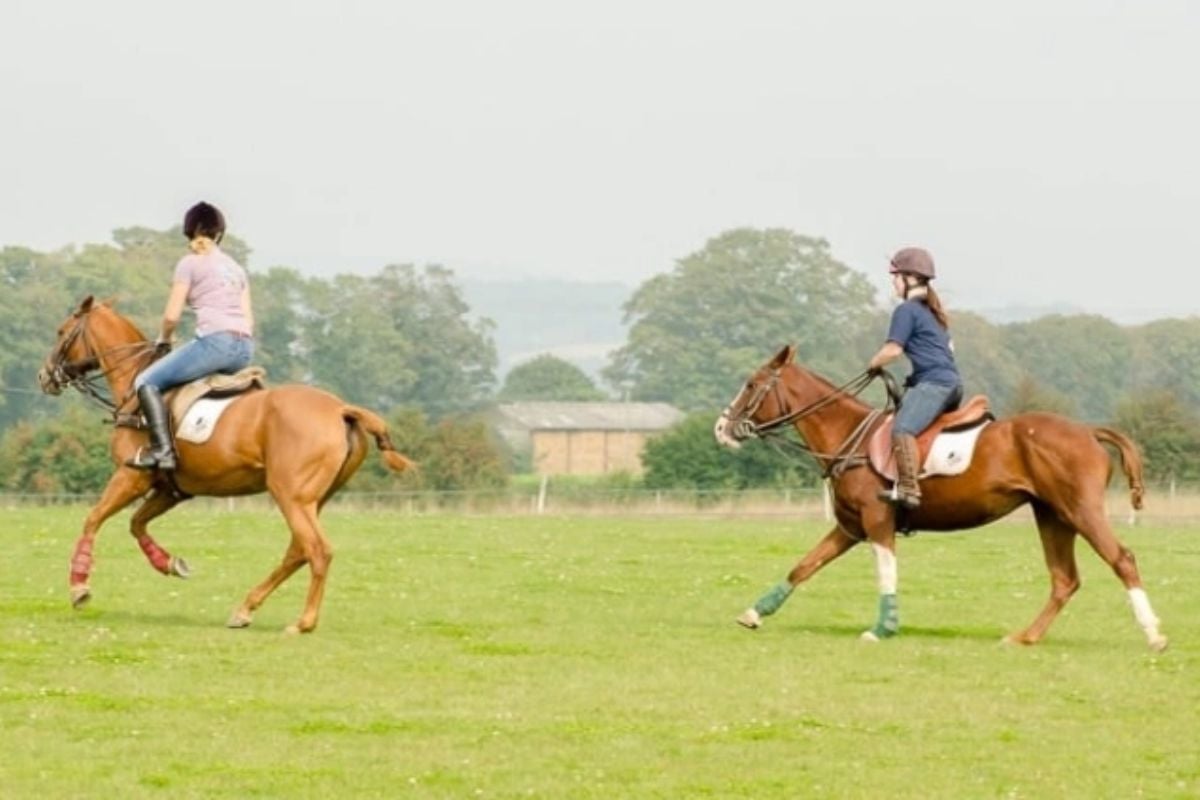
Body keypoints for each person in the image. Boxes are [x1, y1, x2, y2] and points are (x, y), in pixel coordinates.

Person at [126, 202, 255, 471]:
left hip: (216, 344)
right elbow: (248, 319)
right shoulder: (237, 269)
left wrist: (164, 339)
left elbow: (171, 316)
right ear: (219, 233)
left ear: (189, 231)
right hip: (244, 349)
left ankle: (162, 451)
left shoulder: (189, 263)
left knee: (145, 381)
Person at [866, 247, 962, 509]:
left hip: (935, 384)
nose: (893, 283)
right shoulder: (932, 315)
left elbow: (893, 350)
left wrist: (872, 364)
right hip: (952, 385)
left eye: (896, 277)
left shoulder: (906, 310)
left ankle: (909, 488)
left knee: (902, 428)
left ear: (910, 278)